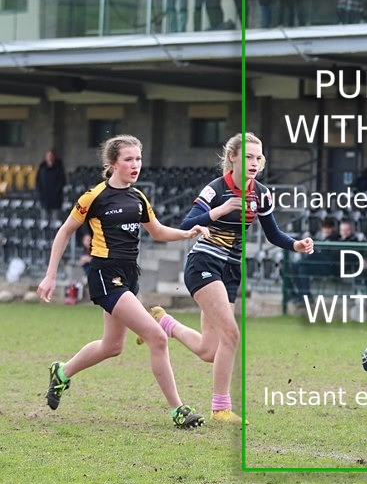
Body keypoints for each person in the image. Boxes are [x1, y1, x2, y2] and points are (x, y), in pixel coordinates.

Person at [37, 135, 209, 429]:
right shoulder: (94, 197)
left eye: (138, 159)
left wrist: (187, 233)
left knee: (112, 346)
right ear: (113, 163)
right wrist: (50, 275)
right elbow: (64, 232)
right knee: (156, 337)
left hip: (129, 274)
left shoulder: (138, 197)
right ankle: (178, 410)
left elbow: (156, 231)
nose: (135, 165)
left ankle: (61, 373)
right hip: (106, 274)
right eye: (128, 159)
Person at [141, 133, 314, 423]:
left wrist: (296, 244)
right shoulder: (215, 190)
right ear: (232, 157)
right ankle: (220, 407)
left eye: (258, 157)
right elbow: (186, 224)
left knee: (210, 350)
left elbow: (273, 234)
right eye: (247, 156)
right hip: (204, 263)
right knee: (232, 334)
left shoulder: (262, 193)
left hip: (232, 270)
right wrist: (220, 210)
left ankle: (163, 322)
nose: (254, 162)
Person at [36, 149, 66, 223]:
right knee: (44, 221)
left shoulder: (59, 168)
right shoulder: (42, 168)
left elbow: (62, 182)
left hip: (55, 199)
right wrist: (40, 192)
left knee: (55, 221)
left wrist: (57, 193)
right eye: (48, 156)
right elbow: (38, 181)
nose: (49, 157)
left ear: (54, 157)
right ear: (45, 157)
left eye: (51, 156)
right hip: (44, 199)